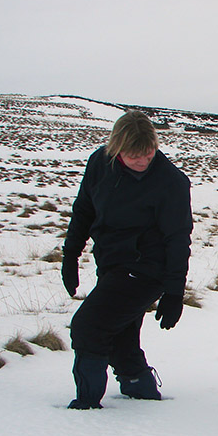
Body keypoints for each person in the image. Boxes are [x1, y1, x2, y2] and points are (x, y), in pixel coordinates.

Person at [61, 110, 192, 409]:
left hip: (147, 269)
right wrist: (71, 254)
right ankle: (142, 393)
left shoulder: (170, 182)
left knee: (89, 327)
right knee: (120, 337)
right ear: (116, 148)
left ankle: (87, 403)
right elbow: (84, 209)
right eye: (134, 155)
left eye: (148, 153)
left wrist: (174, 292)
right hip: (111, 263)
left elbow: (178, 238)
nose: (142, 161)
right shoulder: (100, 163)